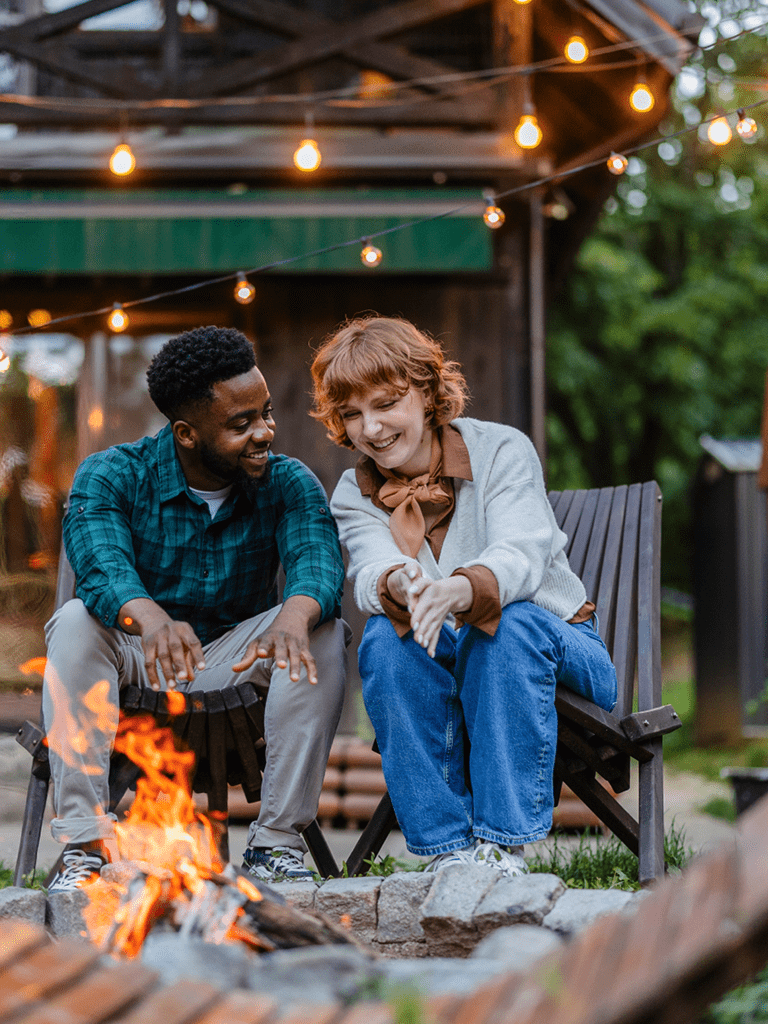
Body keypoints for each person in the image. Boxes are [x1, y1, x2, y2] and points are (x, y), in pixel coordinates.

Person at [44, 326, 348, 892]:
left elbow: (317, 560)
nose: (265, 433)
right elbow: (102, 567)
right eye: (241, 425)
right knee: (75, 621)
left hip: (233, 659)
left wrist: (294, 613)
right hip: (138, 662)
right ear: (186, 433)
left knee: (322, 629)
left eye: (266, 413)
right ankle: (83, 846)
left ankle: (276, 845)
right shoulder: (113, 474)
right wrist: (151, 619)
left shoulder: (287, 481)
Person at [310, 315, 617, 876]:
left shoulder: (501, 449)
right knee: (383, 635)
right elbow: (369, 568)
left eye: (385, 404)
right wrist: (398, 583)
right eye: (352, 414)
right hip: (453, 659)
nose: (371, 428)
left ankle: (502, 846)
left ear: (426, 393)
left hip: (562, 650)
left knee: (506, 625)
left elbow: (522, 554)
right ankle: (446, 850)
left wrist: (457, 589)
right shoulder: (355, 491)